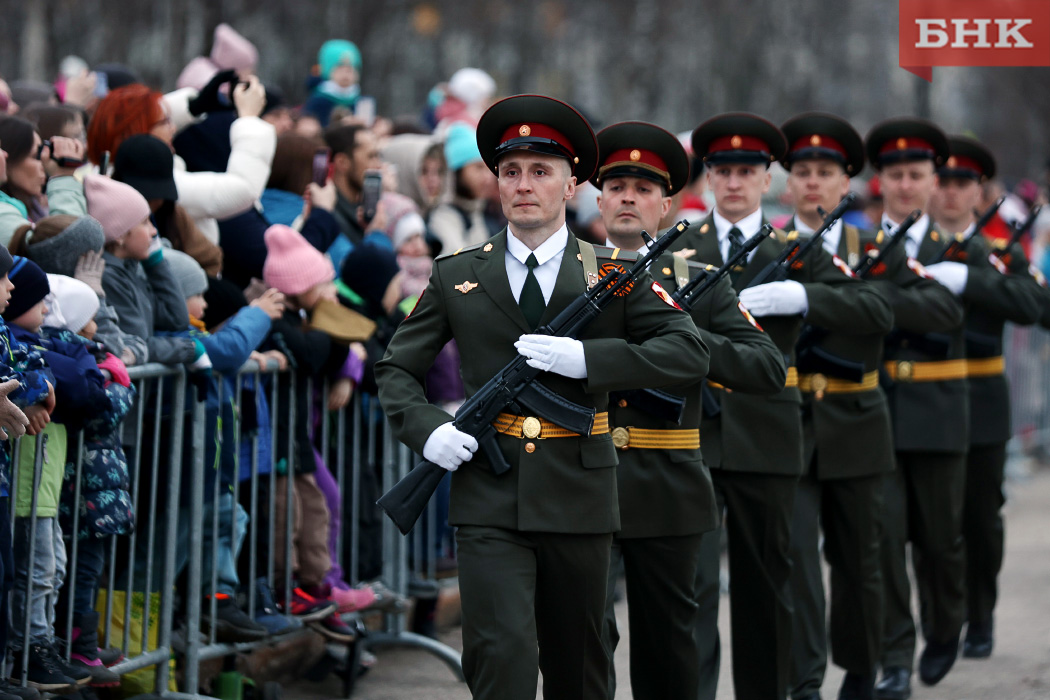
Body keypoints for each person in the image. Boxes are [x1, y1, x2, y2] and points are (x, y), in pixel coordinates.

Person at [376, 94, 709, 700]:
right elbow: (397, 367)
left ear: (571, 184)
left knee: (579, 666)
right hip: (488, 493)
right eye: (510, 172)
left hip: (579, 495)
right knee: (499, 655)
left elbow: (688, 352)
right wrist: (428, 429)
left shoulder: (614, 273)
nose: (523, 185)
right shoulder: (457, 274)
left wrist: (590, 360)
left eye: (540, 171)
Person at [665, 113, 893, 700]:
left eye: (747, 171)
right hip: (694, 431)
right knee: (693, 584)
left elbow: (875, 308)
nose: (733, 182)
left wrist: (805, 296)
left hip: (767, 431)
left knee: (767, 583)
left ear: (768, 180)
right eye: (722, 171)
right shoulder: (679, 248)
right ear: (707, 177)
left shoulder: (796, 249)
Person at [591, 121, 785, 700]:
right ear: (598, 201)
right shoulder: (565, 277)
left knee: (671, 645)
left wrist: (685, 338)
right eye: (617, 187)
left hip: (666, 484)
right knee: (585, 637)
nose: (629, 198)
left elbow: (766, 367)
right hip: (583, 478)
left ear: (667, 204)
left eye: (644, 189)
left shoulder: (696, 282)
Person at [779, 113, 962, 700]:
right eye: (802, 171)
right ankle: (805, 680)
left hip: (857, 420)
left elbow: (940, 308)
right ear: (788, 183)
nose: (813, 181)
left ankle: (868, 666)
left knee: (864, 557)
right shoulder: (766, 248)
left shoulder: (873, 250)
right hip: (788, 424)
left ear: (847, 183)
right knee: (796, 559)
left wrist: (842, 300)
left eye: (825, 171)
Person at [865, 119, 1027, 698]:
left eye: (917, 175)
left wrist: (964, 280)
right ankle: (895, 657)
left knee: (943, 540)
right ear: (881, 182)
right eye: (895, 175)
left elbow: (1029, 301)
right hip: (877, 412)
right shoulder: (856, 247)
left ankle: (947, 625)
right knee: (884, 542)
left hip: (942, 413)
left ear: (931, 182)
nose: (906, 185)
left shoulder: (969, 250)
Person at [926, 136, 1045, 663]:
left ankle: (980, 614)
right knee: (933, 522)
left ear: (980, 192)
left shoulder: (999, 253)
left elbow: (1035, 305)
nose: (951, 193)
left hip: (982, 400)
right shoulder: (910, 248)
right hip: (927, 398)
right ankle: (940, 618)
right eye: (943, 181)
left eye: (963, 183)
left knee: (981, 516)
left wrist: (971, 279)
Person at [0, 116, 86, 244]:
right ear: (10, 159)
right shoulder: (4, 216)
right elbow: (67, 247)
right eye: (36, 156)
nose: (44, 165)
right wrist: (63, 177)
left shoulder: (34, 207)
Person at [427, 122, 501, 253]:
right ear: (457, 173)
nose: (488, 177)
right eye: (478, 168)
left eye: (488, 168)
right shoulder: (444, 217)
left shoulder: (478, 212)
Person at [323, 122, 383, 253]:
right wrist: (375, 233)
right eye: (371, 156)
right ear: (342, 162)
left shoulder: (362, 210)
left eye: (378, 156)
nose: (379, 165)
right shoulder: (331, 218)